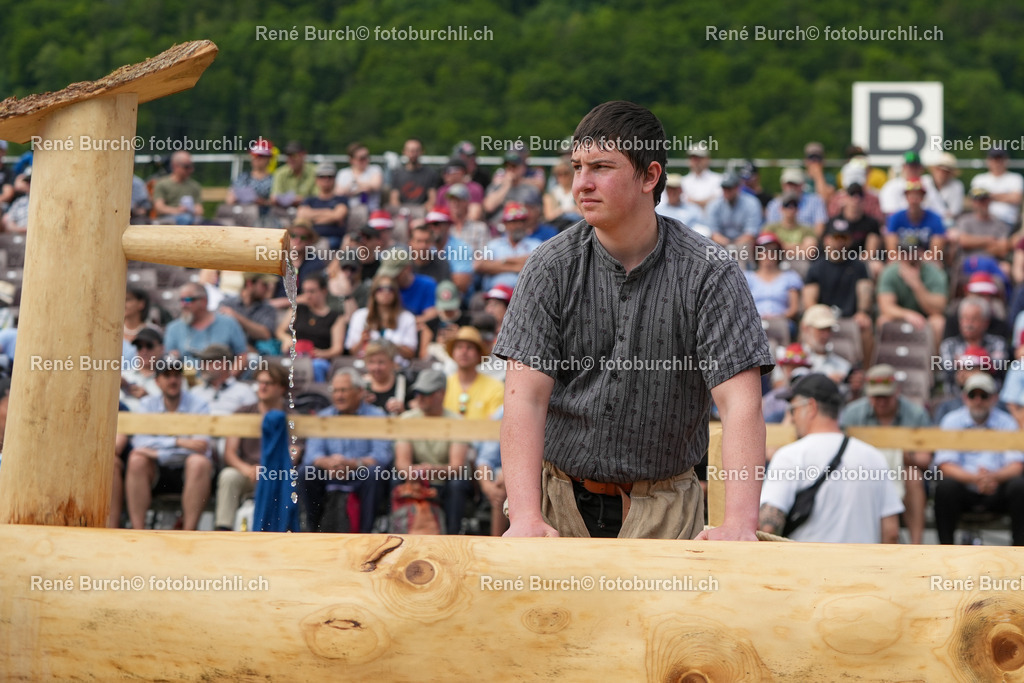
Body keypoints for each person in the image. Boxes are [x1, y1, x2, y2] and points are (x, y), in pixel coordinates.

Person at [492, 101, 773, 541]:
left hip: (665, 508)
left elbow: (740, 404)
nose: (582, 183)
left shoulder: (710, 271)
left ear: (650, 175)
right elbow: (524, 397)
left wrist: (739, 524)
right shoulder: (549, 266)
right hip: (559, 504)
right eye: (577, 167)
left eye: (601, 167)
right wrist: (525, 515)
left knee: (664, 614)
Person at [758, 373, 903, 543]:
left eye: (793, 409)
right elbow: (891, 531)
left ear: (811, 407)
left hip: (807, 566)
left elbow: (768, 527)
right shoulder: (874, 457)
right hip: (863, 567)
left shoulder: (790, 456)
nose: (792, 418)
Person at [839, 364, 933, 544]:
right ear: (868, 394)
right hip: (863, 470)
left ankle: (916, 545)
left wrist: (905, 457)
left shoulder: (916, 414)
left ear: (897, 392)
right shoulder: (853, 413)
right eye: (876, 397)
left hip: (902, 471)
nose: (881, 401)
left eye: (886, 396)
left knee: (913, 475)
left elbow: (925, 459)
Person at [934, 372, 1024, 545]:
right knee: (945, 488)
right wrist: (977, 479)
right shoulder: (951, 421)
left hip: (997, 488)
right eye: (972, 395)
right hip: (964, 488)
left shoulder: (1007, 422)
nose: (978, 400)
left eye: (984, 395)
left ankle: (1020, 552)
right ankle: (945, 549)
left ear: (994, 398)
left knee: (1020, 486)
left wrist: (992, 478)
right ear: (964, 397)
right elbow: (945, 465)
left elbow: (1016, 465)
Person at [299, 368, 392, 533]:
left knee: (375, 473)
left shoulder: (377, 416)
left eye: (343, 390)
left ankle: (366, 533)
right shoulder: (323, 417)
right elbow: (312, 454)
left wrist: (352, 464)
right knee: (306, 472)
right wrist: (328, 463)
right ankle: (313, 531)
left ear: (360, 392)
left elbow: (382, 456)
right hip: (330, 472)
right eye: (335, 391)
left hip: (360, 472)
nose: (339, 396)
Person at [124, 359, 212, 531]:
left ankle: (188, 533)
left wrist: (158, 451)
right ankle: (137, 532)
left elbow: (202, 446)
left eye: (177, 375)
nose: (173, 380)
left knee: (198, 462)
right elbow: (139, 442)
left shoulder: (199, 404)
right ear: (157, 381)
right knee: (136, 460)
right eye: (167, 375)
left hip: (187, 471)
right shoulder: (146, 404)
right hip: (157, 469)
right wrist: (179, 442)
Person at [394, 369, 472, 535]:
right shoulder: (407, 419)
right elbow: (402, 463)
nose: (419, 397)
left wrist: (430, 470)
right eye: (417, 392)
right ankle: (397, 531)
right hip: (417, 479)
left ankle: (452, 536)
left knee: (457, 484)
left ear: (441, 394)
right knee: (394, 478)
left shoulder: (457, 422)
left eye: (425, 393)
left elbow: (456, 467)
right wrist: (415, 473)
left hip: (445, 482)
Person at [213, 362, 289, 531]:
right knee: (229, 476)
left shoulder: (291, 416)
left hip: (278, 473)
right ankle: (222, 530)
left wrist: (268, 468)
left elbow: (295, 452)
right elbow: (230, 453)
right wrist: (246, 469)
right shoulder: (242, 413)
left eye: (268, 383)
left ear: (282, 387)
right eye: (260, 382)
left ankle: (285, 530)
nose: (262, 387)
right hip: (248, 472)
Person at [278, 272, 346, 382]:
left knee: (316, 366)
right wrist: (286, 338)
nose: (308, 295)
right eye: (305, 291)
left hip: (318, 359)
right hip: (295, 355)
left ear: (324, 291)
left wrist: (321, 354)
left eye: (312, 291)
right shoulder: (297, 309)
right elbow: (280, 330)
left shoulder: (335, 317)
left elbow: (337, 348)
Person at [163, 283, 247, 361]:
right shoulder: (173, 328)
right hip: (185, 375)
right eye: (181, 300)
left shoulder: (228, 323)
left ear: (204, 301)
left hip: (219, 374)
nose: (183, 305)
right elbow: (169, 358)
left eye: (187, 300)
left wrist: (229, 376)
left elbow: (242, 355)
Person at [345, 274, 418, 360]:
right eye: (380, 289)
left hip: (396, 366)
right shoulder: (360, 315)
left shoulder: (407, 317)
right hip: (365, 363)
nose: (385, 293)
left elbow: (411, 353)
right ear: (373, 292)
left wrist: (391, 346)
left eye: (390, 289)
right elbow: (352, 351)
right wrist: (362, 340)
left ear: (395, 293)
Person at [444, 326, 504, 419]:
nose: (464, 352)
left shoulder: (496, 387)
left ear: (479, 354)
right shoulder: (444, 386)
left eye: (470, 347)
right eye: (459, 347)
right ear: (453, 352)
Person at [745, 233, 802, 327]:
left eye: (773, 250)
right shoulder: (747, 277)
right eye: (763, 250)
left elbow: (794, 309)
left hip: (782, 322)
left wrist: (778, 317)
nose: (768, 254)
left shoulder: (790, 277)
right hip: (754, 323)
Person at [218, 273, 279, 354]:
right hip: (226, 352)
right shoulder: (227, 303)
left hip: (254, 355)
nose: (268, 289)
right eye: (264, 284)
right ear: (249, 284)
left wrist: (236, 317)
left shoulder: (268, 308)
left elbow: (265, 334)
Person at [706, 173, 763, 255]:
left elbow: (751, 233)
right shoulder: (714, 205)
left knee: (744, 248)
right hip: (721, 244)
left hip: (744, 245)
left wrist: (734, 246)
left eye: (729, 188)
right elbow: (714, 233)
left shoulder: (751, 203)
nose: (726, 191)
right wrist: (729, 245)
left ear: (737, 188)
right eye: (724, 188)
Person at [297, 161, 348, 249]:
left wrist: (312, 218)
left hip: (333, 240)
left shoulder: (341, 199)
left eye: (330, 177)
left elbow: (338, 216)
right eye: (322, 177)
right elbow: (301, 215)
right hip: (310, 239)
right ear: (316, 179)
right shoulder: (310, 199)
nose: (326, 179)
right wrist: (329, 213)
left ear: (335, 179)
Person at [970, 148, 1024, 229]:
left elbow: (1016, 198)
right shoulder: (979, 179)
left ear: (1006, 160)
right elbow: (974, 200)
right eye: (994, 159)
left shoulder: (1016, 178)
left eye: (1000, 159)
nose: (997, 163)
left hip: (1007, 222)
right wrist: (1006, 196)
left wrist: (987, 196)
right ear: (988, 161)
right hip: (982, 221)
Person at [388, 138, 439, 210]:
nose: (413, 154)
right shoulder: (397, 174)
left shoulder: (430, 174)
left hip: (422, 212)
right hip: (402, 212)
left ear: (422, 152)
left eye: (416, 151)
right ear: (404, 152)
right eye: (410, 151)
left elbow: (432, 200)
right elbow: (394, 200)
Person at [152, 151, 202, 225]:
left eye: (191, 166)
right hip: (167, 218)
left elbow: (200, 210)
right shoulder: (162, 184)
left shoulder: (195, 185)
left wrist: (191, 210)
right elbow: (159, 208)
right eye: (186, 167)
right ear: (175, 166)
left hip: (190, 217)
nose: (191, 170)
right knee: (185, 218)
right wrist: (178, 211)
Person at [270, 141, 316, 209]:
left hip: (309, 210)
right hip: (284, 211)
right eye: (288, 155)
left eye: (294, 155)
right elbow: (274, 197)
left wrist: (290, 199)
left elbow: (320, 197)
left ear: (304, 154)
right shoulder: (280, 173)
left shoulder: (315, 172)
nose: (291, 159)